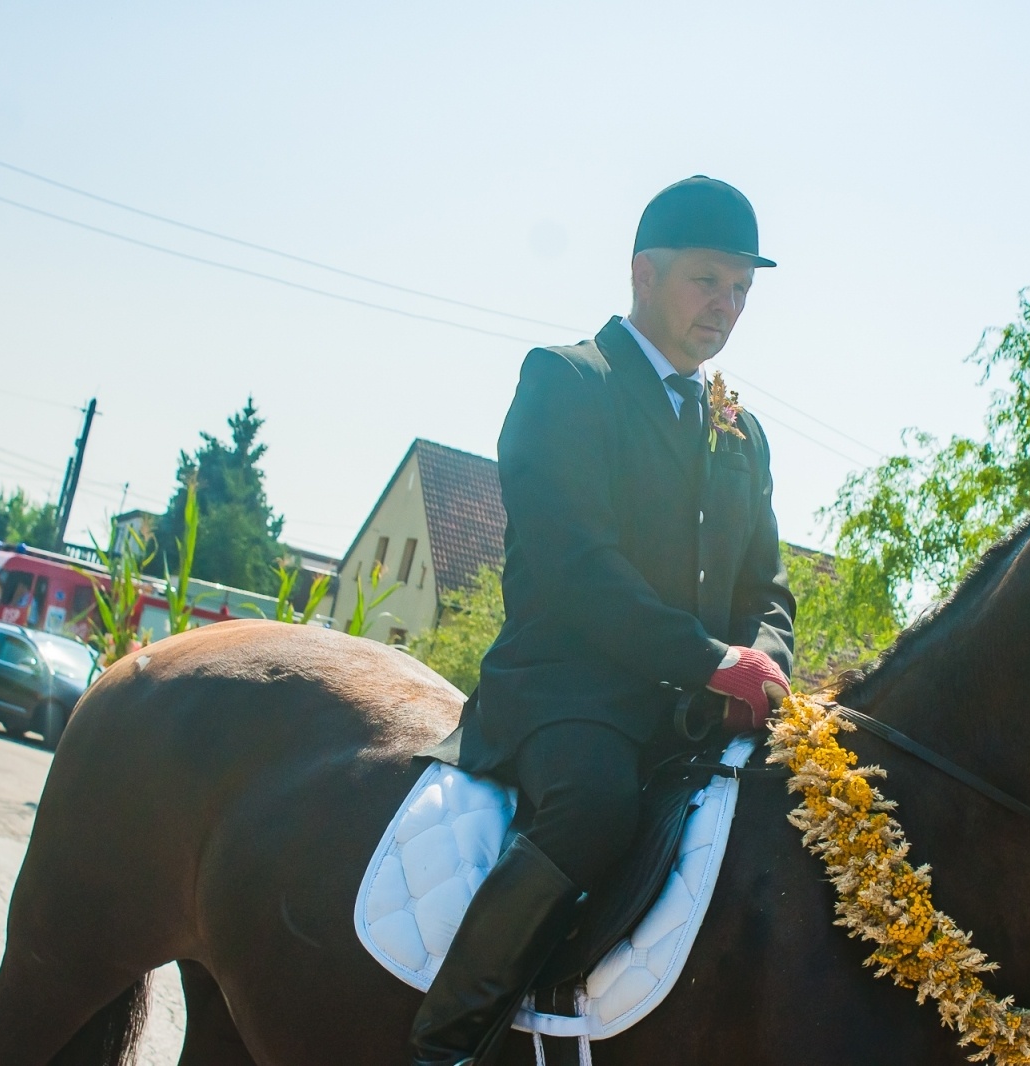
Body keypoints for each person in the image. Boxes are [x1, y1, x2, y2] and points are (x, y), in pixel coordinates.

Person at [407, 176, 795, 1066]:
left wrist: (763, 661)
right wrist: (707, 659)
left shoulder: (743, 432)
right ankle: (446, 1044)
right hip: (562, 690)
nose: (727, 307)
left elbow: (767, 584)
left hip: (688, 704)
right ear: (643, 274)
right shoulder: (567, 382)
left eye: (742, 289)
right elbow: (577, 570)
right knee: (594, 807)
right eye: (709, 281)